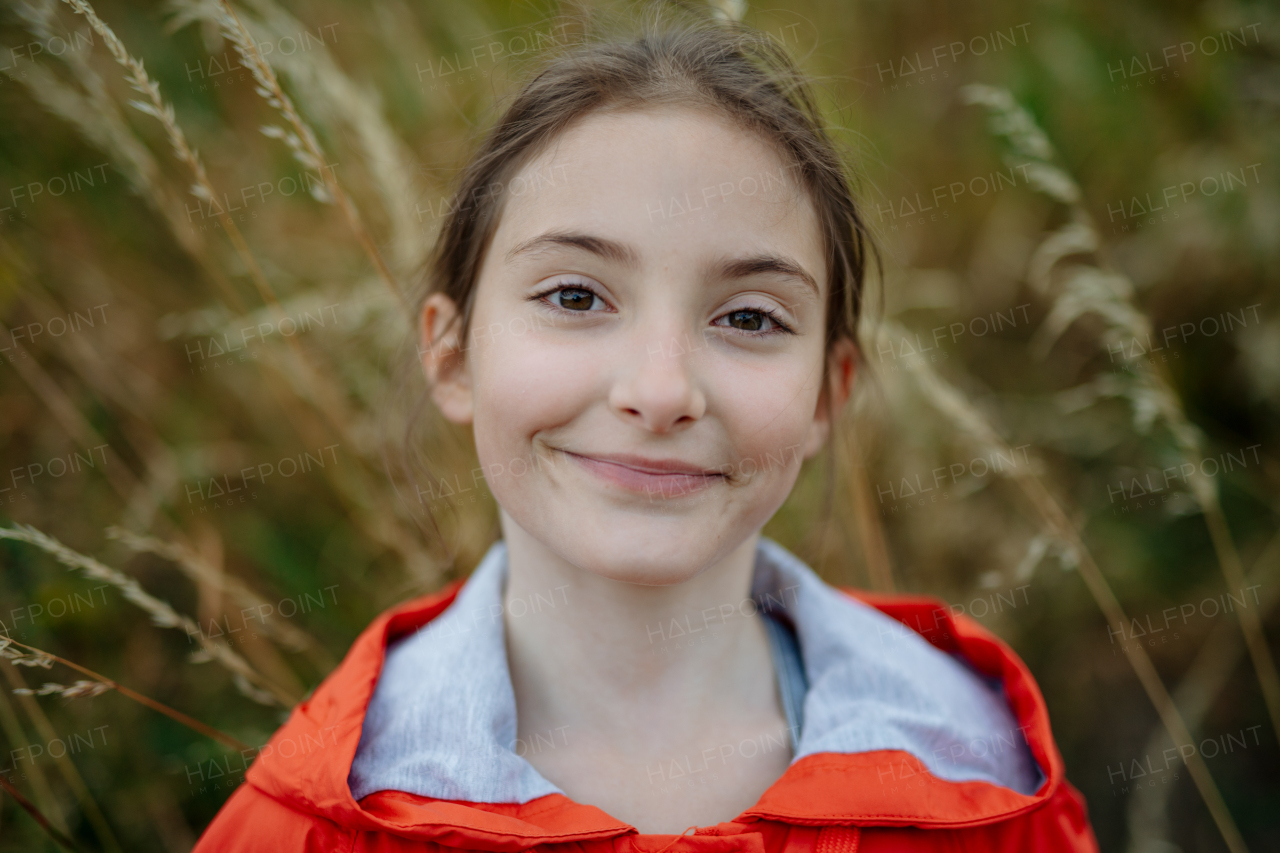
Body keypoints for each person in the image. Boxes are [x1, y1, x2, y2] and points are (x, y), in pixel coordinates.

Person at [194, 10, 1098, 851]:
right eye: (576, 296)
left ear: (828, 393)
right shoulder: (323, 819)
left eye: (748, 317)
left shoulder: (982, 779)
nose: (661, 390)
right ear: (454, 356)